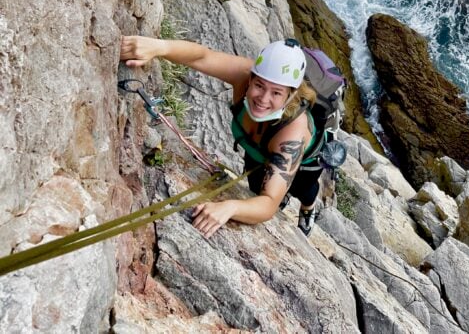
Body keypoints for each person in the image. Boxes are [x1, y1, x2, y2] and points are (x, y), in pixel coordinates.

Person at [120, 35, 324, 238]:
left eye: (276, 93)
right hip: (256, 150)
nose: (263, 99)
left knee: (304, 189)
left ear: (291, 95)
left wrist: (230, 208)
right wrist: (159, 47)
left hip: (304, 161)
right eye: (259, 86)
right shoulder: (243, 75)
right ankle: (284, 190)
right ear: (251, 77)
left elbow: (269, 203)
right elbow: (201, 57)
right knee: (255, 186)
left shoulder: (292, 134)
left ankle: (308, 208)